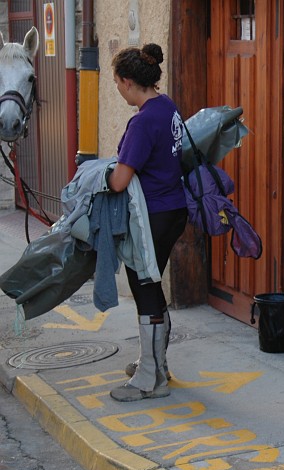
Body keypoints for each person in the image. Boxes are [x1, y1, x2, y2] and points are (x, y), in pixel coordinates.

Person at [106, 43, 187, 402]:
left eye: (117, 84)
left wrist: (100, 177)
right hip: (173, 210)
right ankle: (155, 364)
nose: (118, 90)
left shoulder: (142, 121)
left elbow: (120, 181)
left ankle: (150, 381)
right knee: (151, 286)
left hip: (151, 215)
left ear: (127, 81)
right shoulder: (166, 106)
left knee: (144, 288)